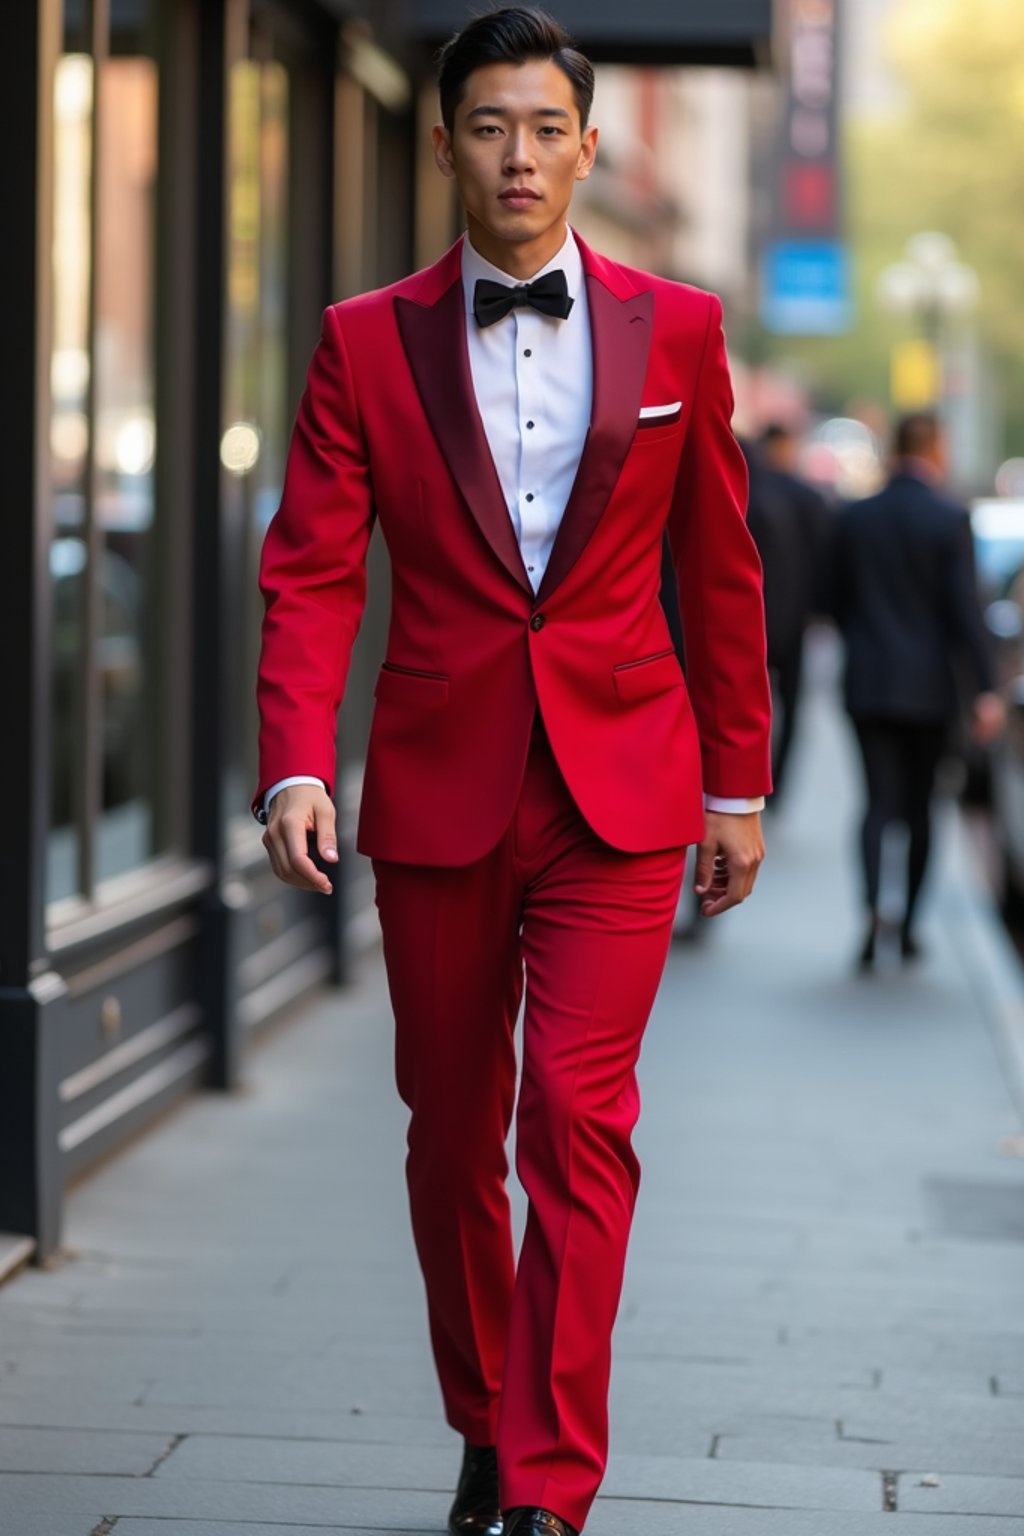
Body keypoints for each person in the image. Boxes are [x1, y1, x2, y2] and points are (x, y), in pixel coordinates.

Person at [254, 10, 771, 1534]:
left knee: (576, 1118)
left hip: (622, 785)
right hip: (439, 784)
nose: (520, 155)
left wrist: (735, 782)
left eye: (546, 127)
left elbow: (721, 567)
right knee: (449, 1127)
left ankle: (551, 1487)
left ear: (589, 148)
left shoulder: (677, 329)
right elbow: (310, 573)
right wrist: (295, 764)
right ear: (445, 146)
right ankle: (483, 1413)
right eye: (490, 126)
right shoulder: (364, 339)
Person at [830, 411, 1003, 969]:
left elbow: (831, 597)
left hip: (868, 681)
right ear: (934, 449)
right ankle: (907, 927)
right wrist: (986, 689)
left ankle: (871, 907)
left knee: (877, 804)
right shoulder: (950, 517)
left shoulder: (857, 516)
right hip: (931, 688)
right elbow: (966, 612)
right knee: (923, 806)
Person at [745, 423, 829, 801]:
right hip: (793, 621)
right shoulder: (808, 497)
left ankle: (751, 776)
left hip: (750, 620)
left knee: (748, 704)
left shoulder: (746, 491)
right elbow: (823, 561)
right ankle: (774, 784)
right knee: (791, 706)